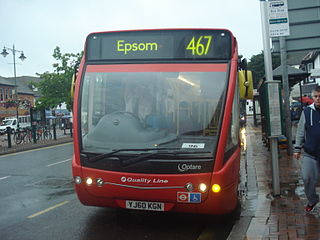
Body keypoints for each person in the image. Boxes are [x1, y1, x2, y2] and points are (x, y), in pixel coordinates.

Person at [294, 85, 320, 212]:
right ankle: (312, 199)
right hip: (310, 152)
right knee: (307, 177)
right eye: (316, 96)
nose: (318, 99)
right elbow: (300, 131)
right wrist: (297, 148)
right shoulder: (307, 112)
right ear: (312, 97)